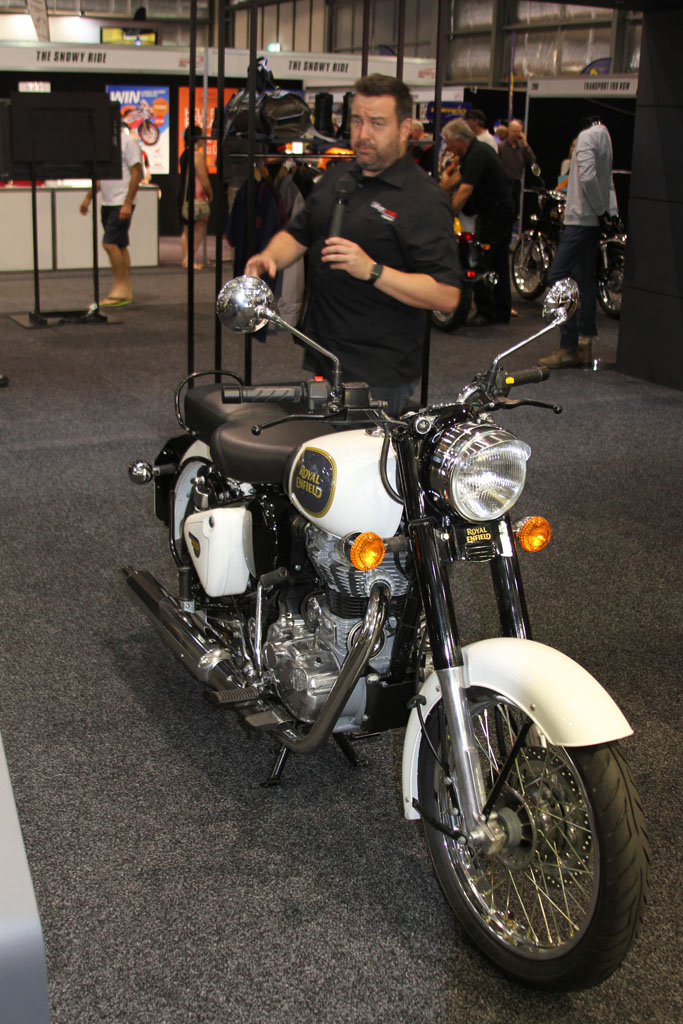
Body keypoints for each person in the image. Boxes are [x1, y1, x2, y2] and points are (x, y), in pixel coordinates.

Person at [244, 74, 461, 416]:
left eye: (377, 123)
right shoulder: (337, 177)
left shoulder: (424, 198)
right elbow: (299, 233)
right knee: (320, 446)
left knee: (360, 450)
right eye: (358, 121)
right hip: (325, 353)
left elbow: (446, 295)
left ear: (405, 128)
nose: (363, 134)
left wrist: (372, 270)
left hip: (379, 370)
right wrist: (269, 257)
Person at [539, 116, 618, 369]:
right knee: (584, 281)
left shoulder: (587, 137)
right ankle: (584, 343)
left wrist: (600, 209)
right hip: (591, 222)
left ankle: (569, 347)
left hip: (580, 220)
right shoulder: (605, 137)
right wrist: (610, 212)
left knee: (557, 276)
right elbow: (608, 181)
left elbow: (587, 177)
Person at [440, 117, 515, 325]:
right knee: (498, 262)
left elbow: (465, 189)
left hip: (494, 214)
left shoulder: (477, 154)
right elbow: (456, 180)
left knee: (480, 261)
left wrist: (447, 212)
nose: (447, 147)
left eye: (448, 141)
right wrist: (439, 189)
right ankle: (500, 311)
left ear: (459, 140)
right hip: (499, 212)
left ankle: (487, 312)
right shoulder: (475, 152)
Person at [79, 126, 142, 308]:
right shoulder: (105, 146)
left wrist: (128, 203)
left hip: (121, 202)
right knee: (120, 245)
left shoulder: (128, 142)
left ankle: (121, 289)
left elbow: (136, 173)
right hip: (108, 203)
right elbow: (101, 178)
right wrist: (88, 198)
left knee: (109, 243)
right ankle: (125, 289)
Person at [179, 125, 213, 270]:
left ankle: (186, 259)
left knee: (187, 230)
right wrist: (210, 193)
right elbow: (203, 178)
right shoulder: (196, 155)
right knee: (199, 228)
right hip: (196, 196)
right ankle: (189, 259)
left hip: (184, 195)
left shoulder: (184, 154)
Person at [498, 119, 536, 219]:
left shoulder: (522, 148)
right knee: (504, 211)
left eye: (518, 131)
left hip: (517, 184)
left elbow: (532, 161)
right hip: (505, 183)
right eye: (514, 131)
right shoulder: (501, 147)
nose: (516, 134)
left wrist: (525, 145)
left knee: (514, 212)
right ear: (509, 131)